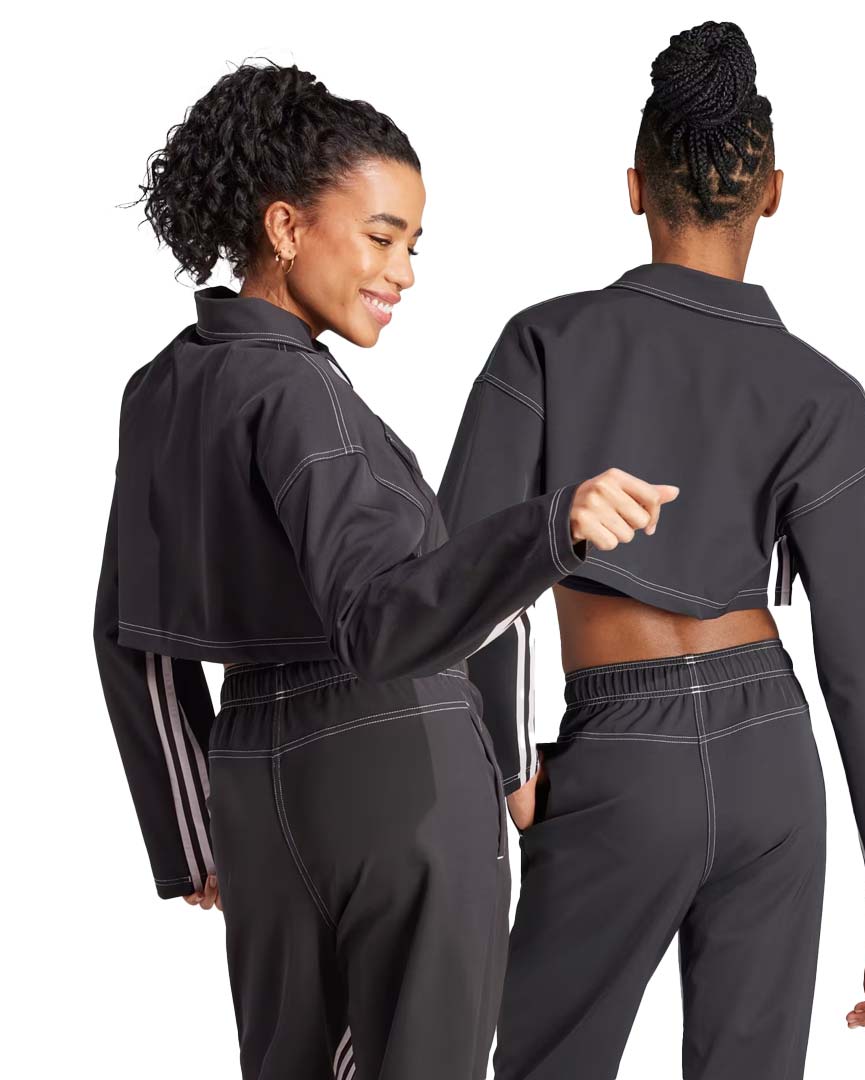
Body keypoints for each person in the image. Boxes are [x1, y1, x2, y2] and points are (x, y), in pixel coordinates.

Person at [92, 61, 677, 1080]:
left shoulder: (163, 389)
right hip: (398, 767)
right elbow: (385, 620)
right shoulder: (304, 398)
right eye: (380, 236)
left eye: (412, 245)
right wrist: (553, 529)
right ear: (285, 228)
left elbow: (129, 632)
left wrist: (191, 833)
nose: (403, 272)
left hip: (254, 786)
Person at [437, 21, 865, 1080]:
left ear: (635, 187)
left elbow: (461, 575)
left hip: (621, 755)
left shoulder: (546, 341)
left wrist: (508, 765)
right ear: (774, 194)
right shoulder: (826, 394)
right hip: (772, 755)